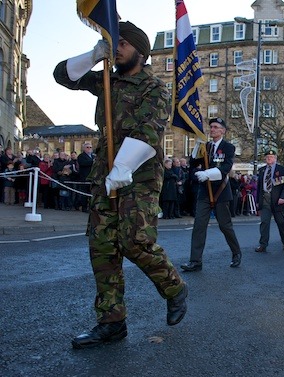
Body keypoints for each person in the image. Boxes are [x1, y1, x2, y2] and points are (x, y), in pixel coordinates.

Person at [54, 21, 188, 349]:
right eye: (114, 43)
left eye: (123, 44)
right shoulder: (105, 80)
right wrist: (92, 55)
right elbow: (62, 76)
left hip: (139, 175)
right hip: (104, 174)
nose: (117, 49)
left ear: (140, 51)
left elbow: (148, 132)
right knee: (102, 246)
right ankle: (111, 322)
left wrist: (123, 167)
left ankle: (174, 288)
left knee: (134, 241)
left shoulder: (154, 87)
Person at [181, 117, 242, 271]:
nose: (212, 129)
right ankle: (195, 261)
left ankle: (236, 253)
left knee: (225, 226)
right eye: (211, 127)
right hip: (204, 192)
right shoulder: (206, 146)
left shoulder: (228, 147)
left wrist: (208, 173)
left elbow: (226, 167)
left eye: (216, 127)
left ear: (223, 130)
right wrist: (196, 148)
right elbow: (193, 164)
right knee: (199, 226)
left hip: (220, 191)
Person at [255, 149, 284, 252]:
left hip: (277, 200)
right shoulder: (262, 170)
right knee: (264, 222)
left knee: (280, 222)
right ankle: (263, 244)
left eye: (271, 157)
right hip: (265, 199)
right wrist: (258, 201)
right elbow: (259, 186)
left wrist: (283, 197)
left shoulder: (281, 169)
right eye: (267, 157)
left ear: (275, 158)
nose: (269, 158)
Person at [77, 143, 95, 212]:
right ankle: (84, 207)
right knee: (84, 193)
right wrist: (92, 162)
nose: (89, 148)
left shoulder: (93, 156)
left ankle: (91, 207)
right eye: (87, 147)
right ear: (84, 148)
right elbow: (83, 163)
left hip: (92, 178)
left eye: (90, 147)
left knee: (91, 193)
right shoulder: (81, 156)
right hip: (85, 177)